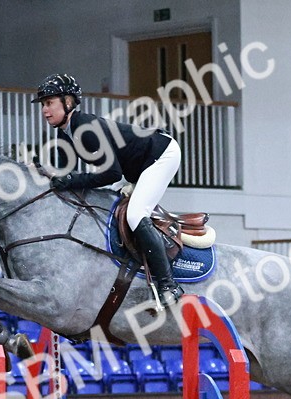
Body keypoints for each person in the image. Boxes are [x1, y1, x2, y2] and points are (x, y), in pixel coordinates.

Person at [32, 72, 184, 307]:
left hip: (160, 154)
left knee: (135, 215)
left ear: (69, 102)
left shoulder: (86, 127)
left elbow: (111, 174)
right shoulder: (64, 132)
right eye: (43, 104)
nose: (45, 110)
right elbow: (64, 175)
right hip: (134, 168)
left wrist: (69, 180)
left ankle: (168, 285)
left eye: (49, 103)